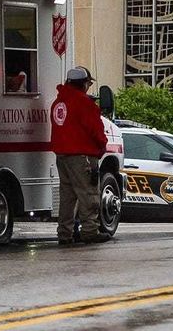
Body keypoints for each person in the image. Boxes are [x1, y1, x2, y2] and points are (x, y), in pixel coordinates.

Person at [50, 66, 110, 244]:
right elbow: (96, 130)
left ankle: (64, 233)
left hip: (62, 156)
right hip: (82, 156)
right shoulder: (84, 103)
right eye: (88, 84)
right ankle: (90, 230)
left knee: (67, 197)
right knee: (88, 194)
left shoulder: (58, 103)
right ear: (83, 84)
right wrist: (101, 147)